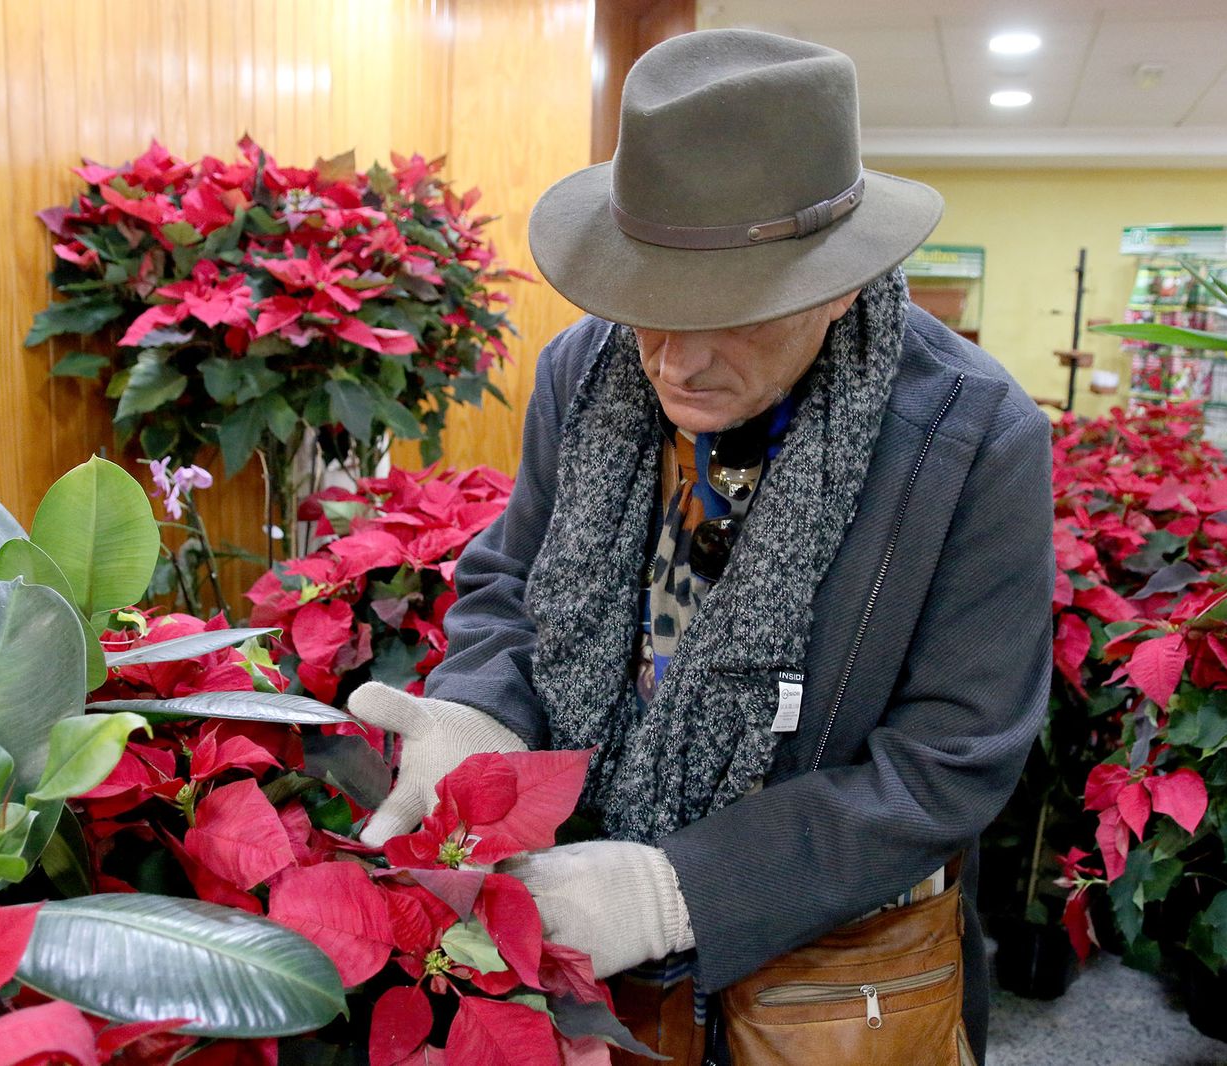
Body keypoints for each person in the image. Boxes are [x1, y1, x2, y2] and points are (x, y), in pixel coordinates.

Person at [347, 27, 1053, 1063]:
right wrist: (477, 714)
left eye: (731, 315)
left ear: (841, 283)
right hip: (581, 946)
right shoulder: (586, 372)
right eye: (648, 305)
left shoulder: (973, 439)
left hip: (824, 979)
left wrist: (680, 889)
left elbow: (951, 758)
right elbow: (513, 580)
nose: (676, 361)